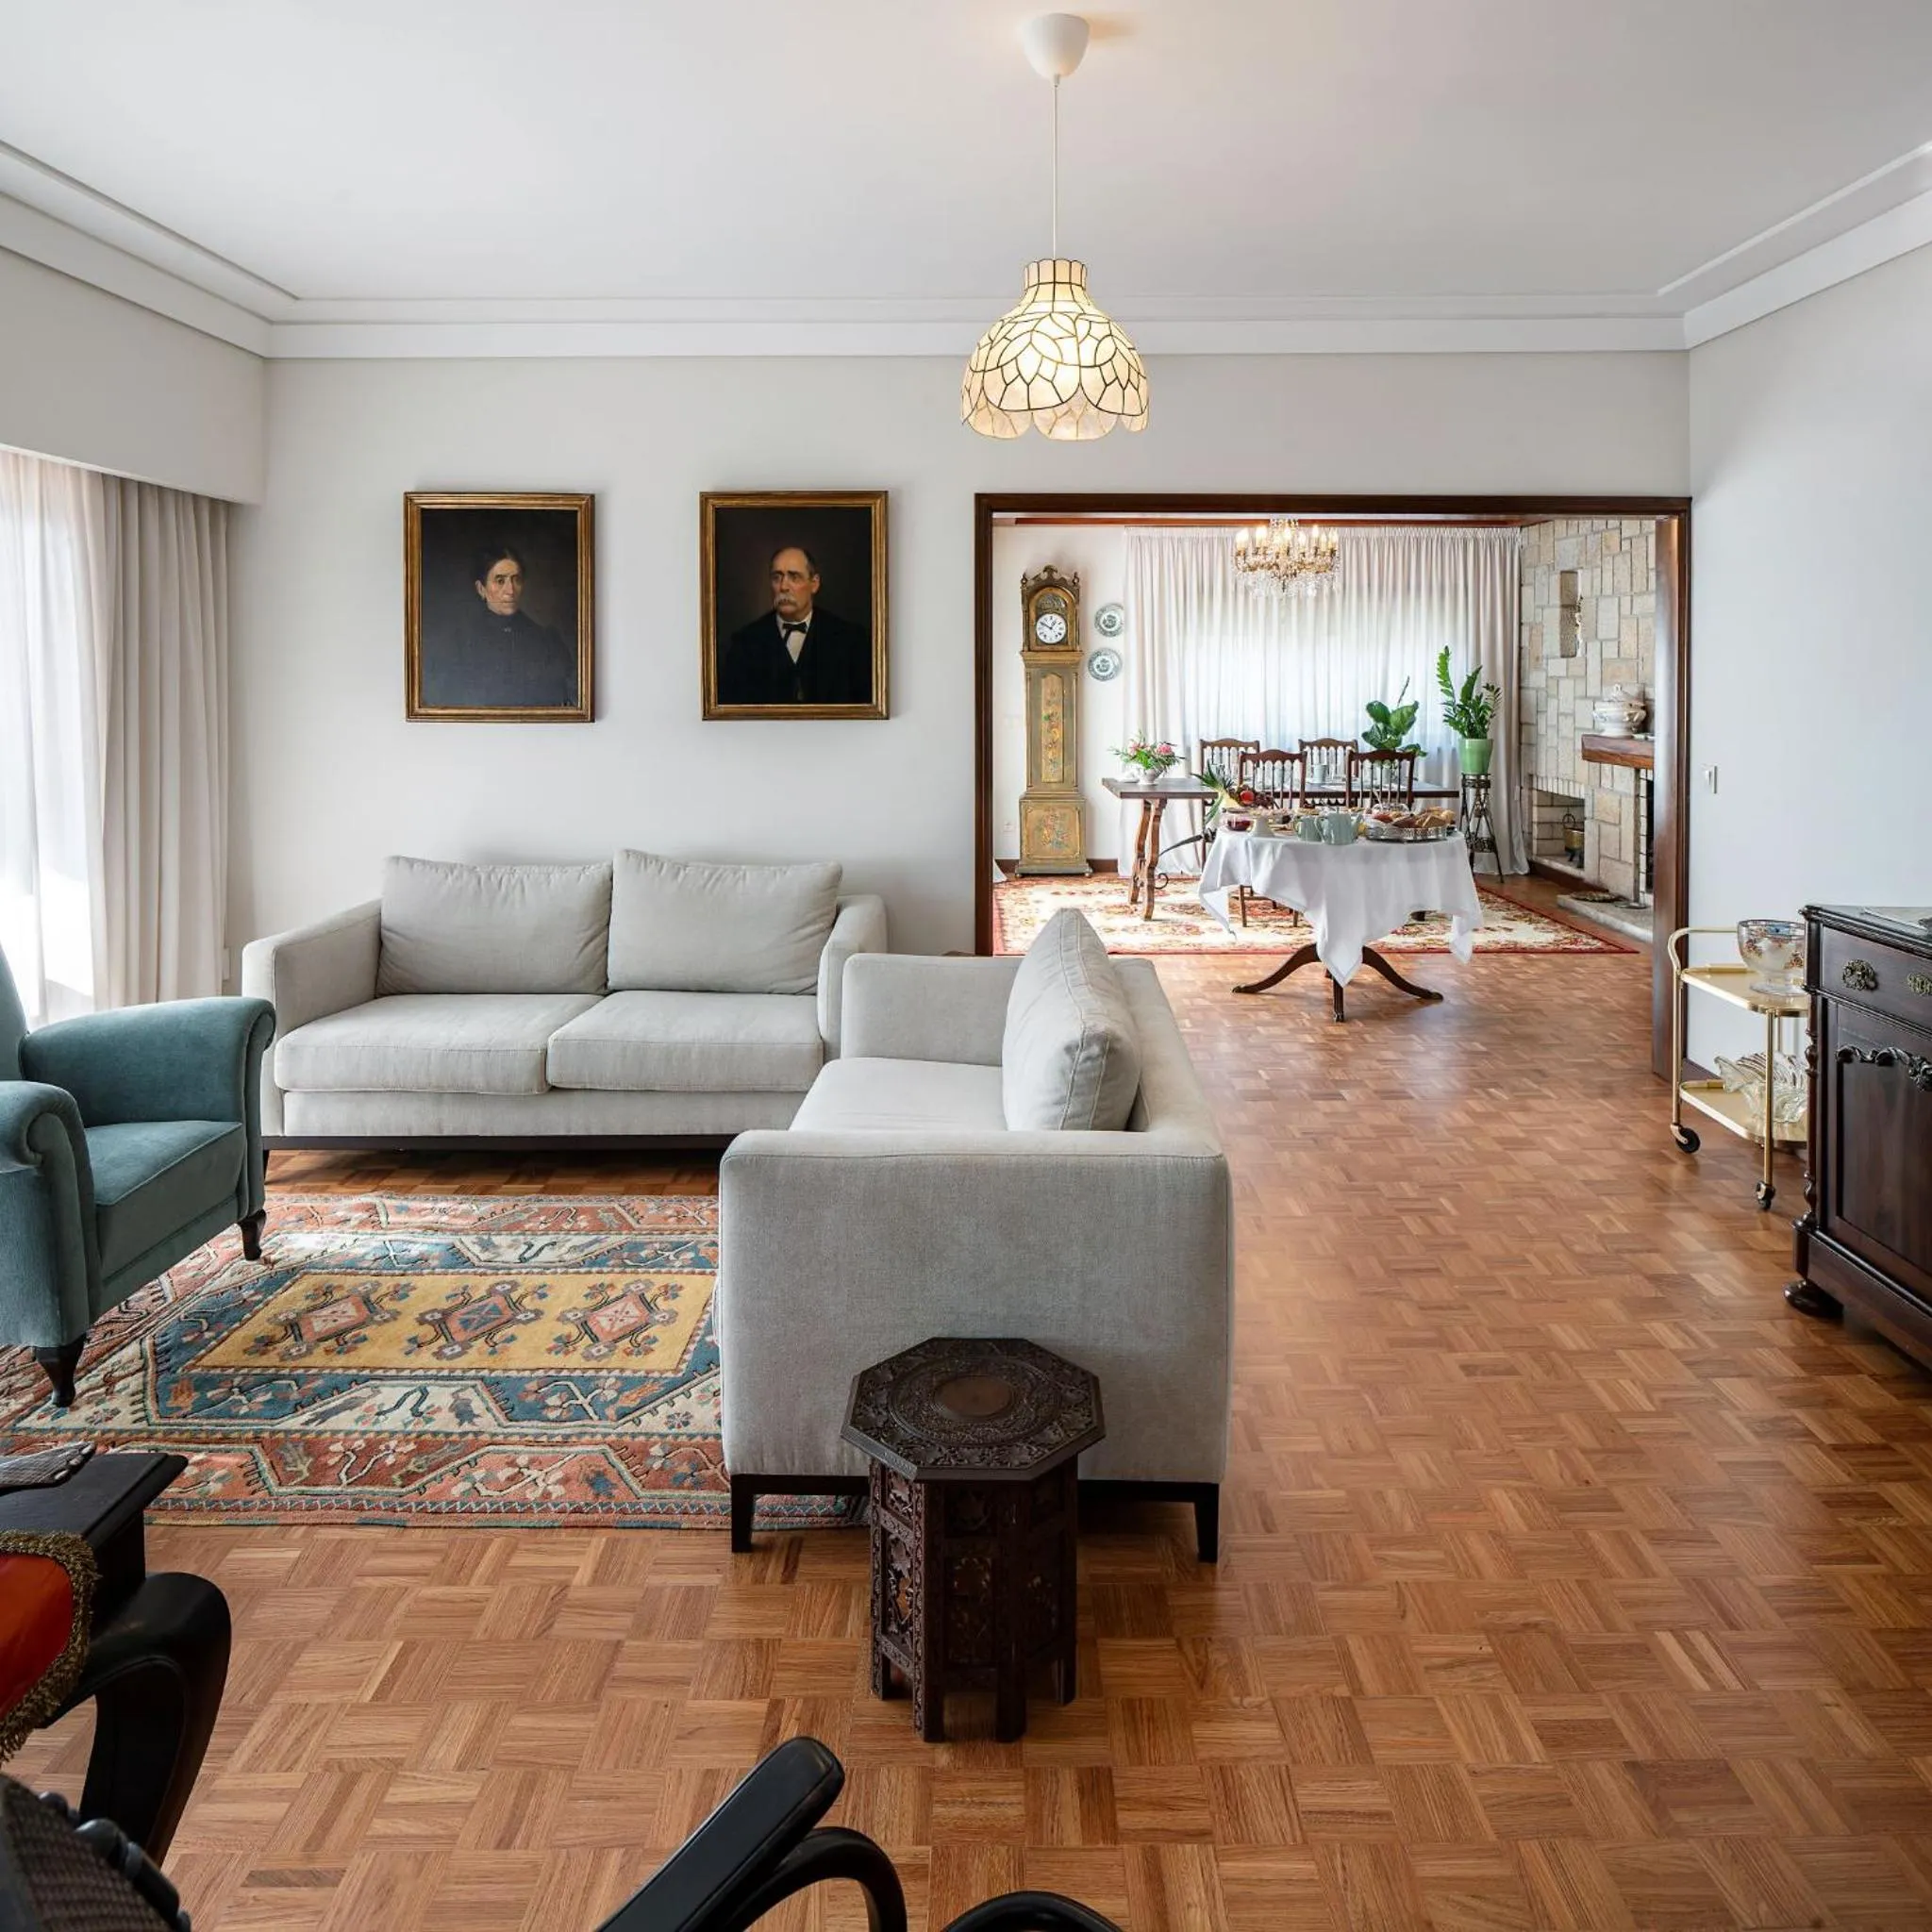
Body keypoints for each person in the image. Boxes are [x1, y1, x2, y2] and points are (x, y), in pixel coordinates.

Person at [420, 541, 577, 710]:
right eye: (500, 580)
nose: (510, 590)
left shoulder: (547, 641)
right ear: (481, 589)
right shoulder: (458, 643)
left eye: (516, 579)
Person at [718, 544, 872, 706]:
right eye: (777, 577)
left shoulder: (849, 639)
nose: (783, 586)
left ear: (814, 584)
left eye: (794, 577)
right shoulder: (744, 642)